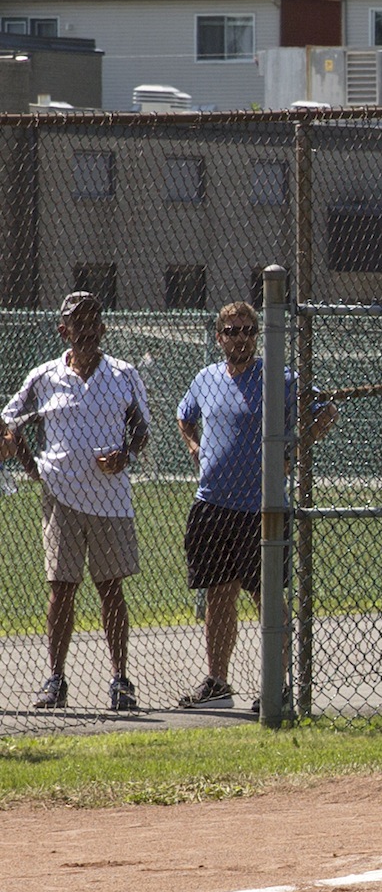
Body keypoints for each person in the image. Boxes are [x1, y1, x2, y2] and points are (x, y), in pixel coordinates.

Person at [174, 302, 338, 709]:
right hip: (213, 504)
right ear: (219, 337)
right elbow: (184, 416)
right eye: (232, 331)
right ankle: (217, 682)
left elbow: (326, 412)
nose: (240, 338)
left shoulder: (279, 377)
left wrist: (294, 449)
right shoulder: (206, 379)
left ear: (256, 335)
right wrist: (194, 445)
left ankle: (277, 686)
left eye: (248, 331)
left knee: (267, 597)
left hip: (262, 507)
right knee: (218, 594)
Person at [2, 291, 152, 710]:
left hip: (110, 500)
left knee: (111, 589)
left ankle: (121, 679)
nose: (85, 331)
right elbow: (9, 422)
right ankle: (55, 679)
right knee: (61, 589)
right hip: (61, 497)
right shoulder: (43, 377)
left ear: (103, 328)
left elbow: (141, 430)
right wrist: (31, 466)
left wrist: (126, 456)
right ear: (62, 330)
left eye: (92, 322)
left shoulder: (123, 375)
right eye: (76, 323)